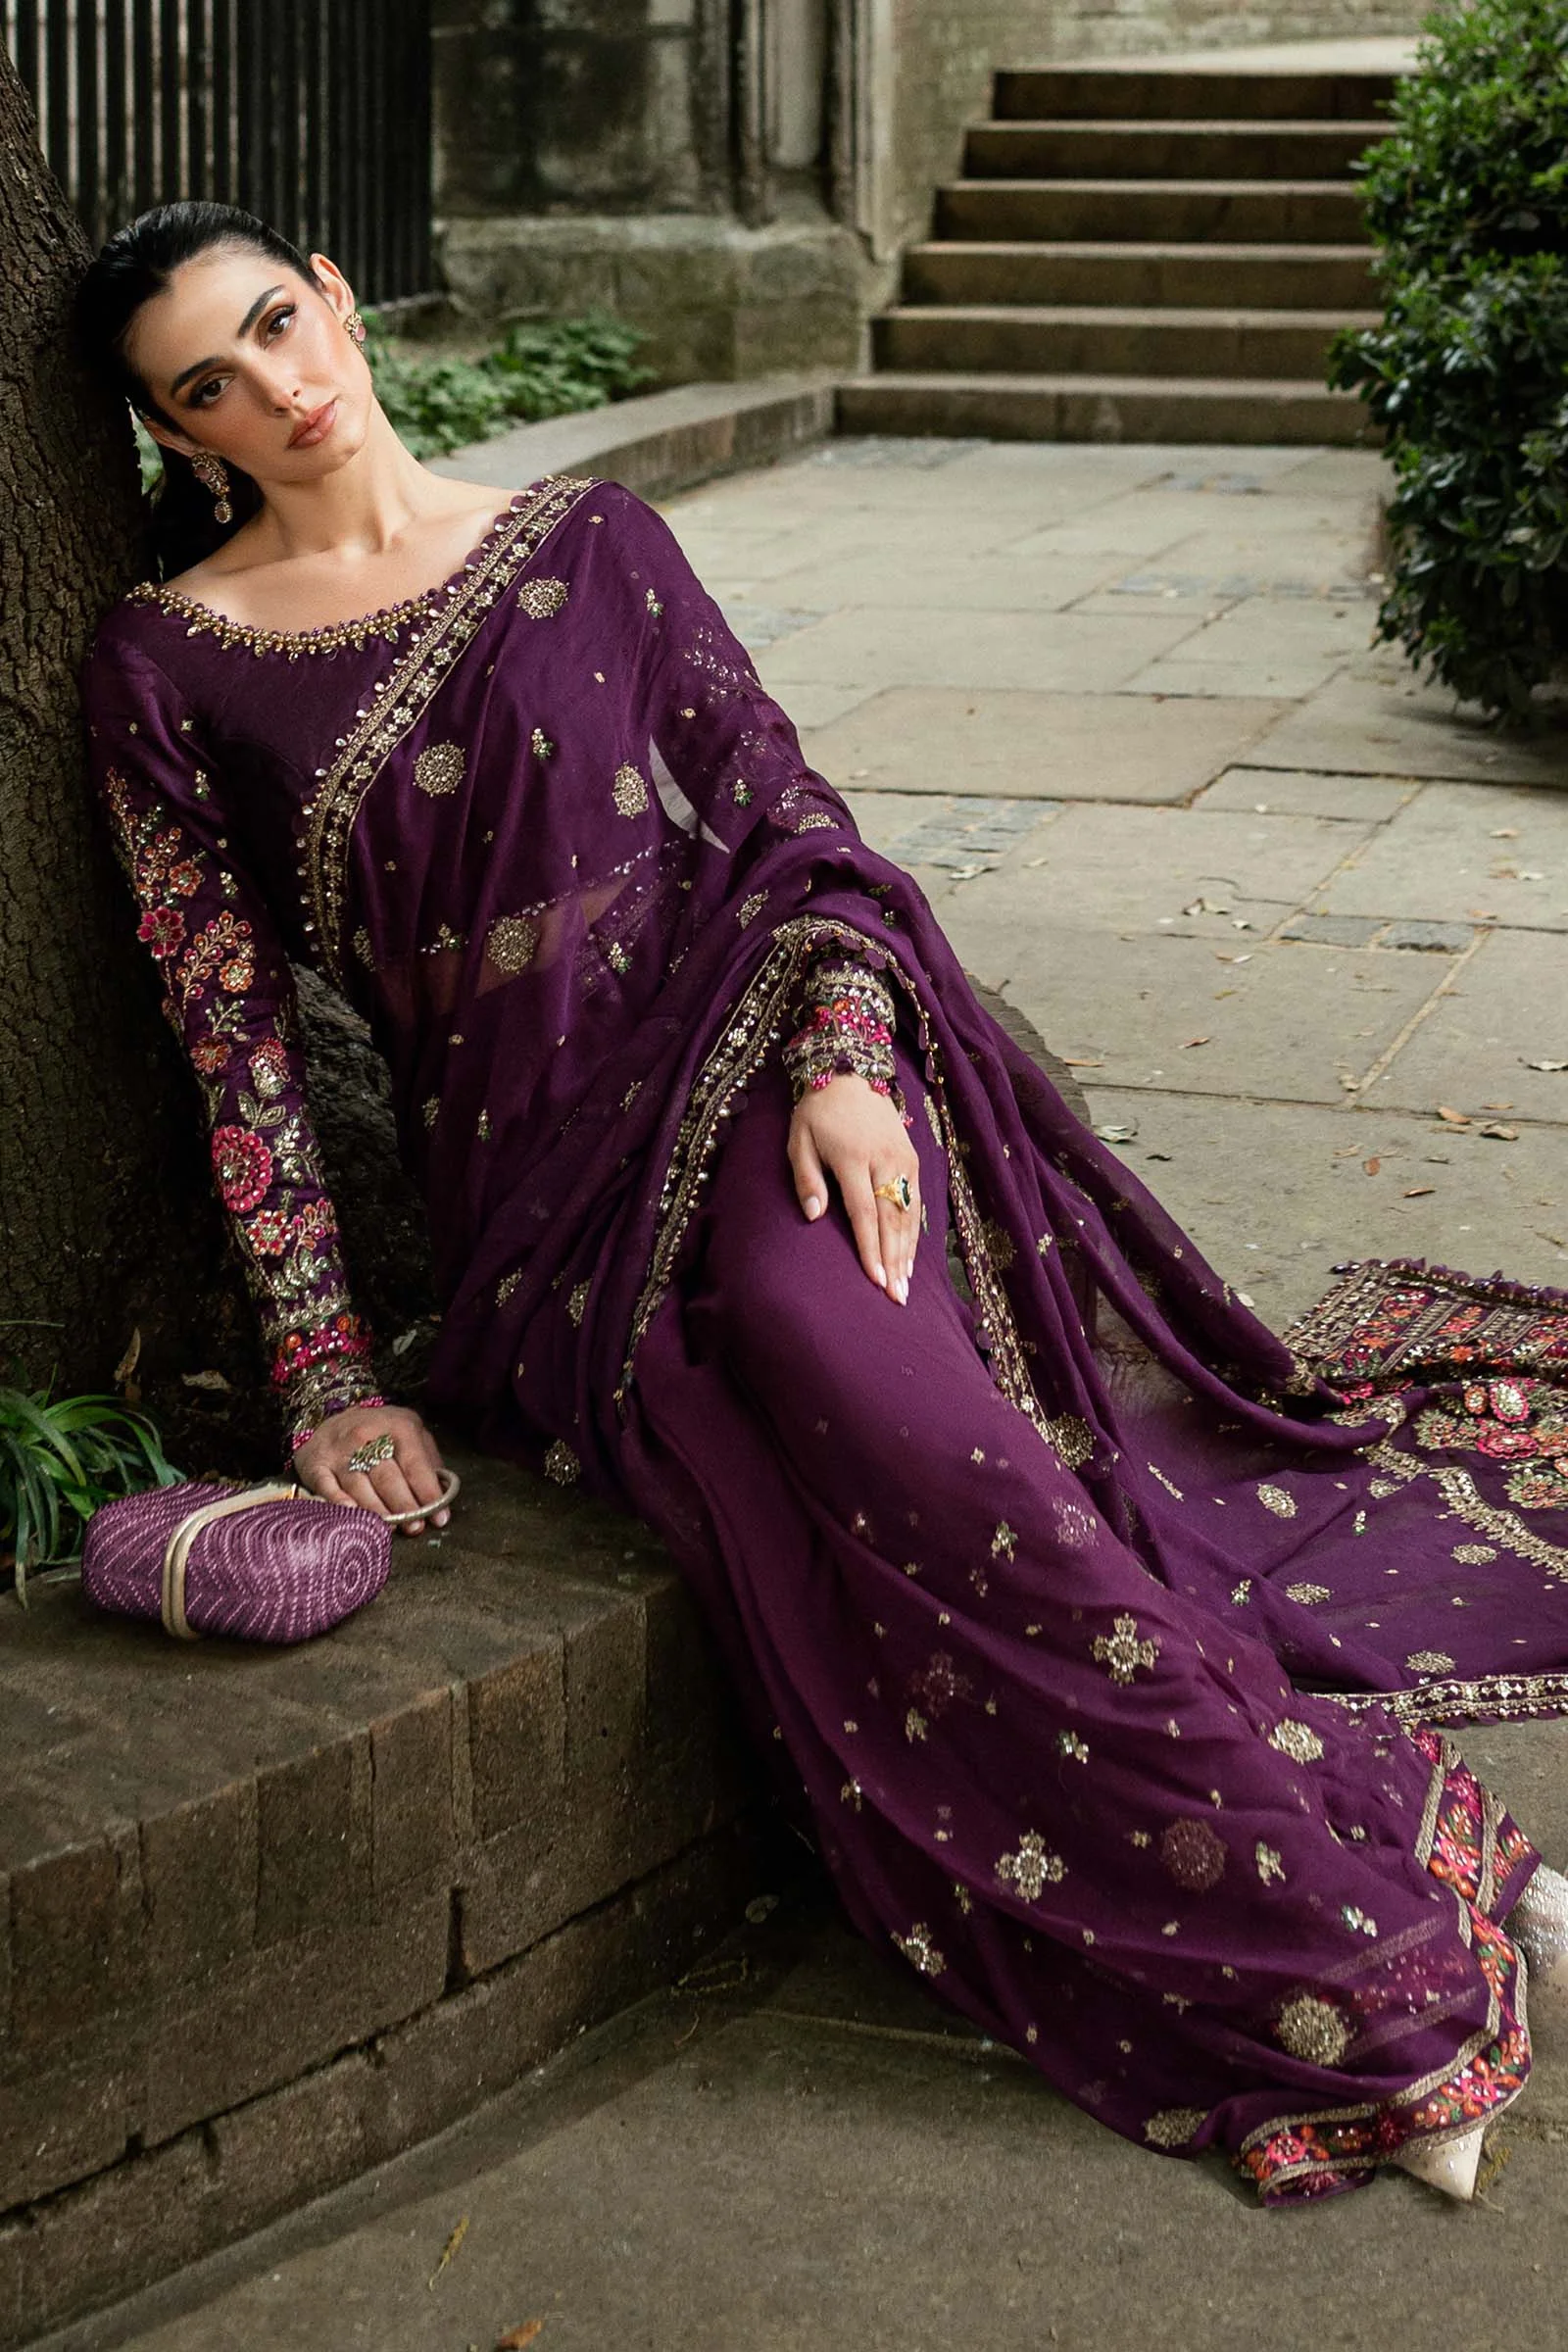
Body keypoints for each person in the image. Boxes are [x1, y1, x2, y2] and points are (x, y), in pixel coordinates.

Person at [74, 200, 1568, 2207]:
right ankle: (1352, 1924)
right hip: (549, 1216)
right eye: (211, 382)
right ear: (179, 435)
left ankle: (1339, 1907)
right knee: (837, 1457)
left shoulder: (591, 543)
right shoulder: (173, 662)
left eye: (278, 322)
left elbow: (784, 810)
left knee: (865, 1375)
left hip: (779, 1073)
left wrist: (853, 1056)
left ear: (335, 296)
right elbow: (233, 1044)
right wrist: (329, 1377)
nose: (278, 386)